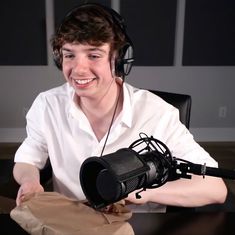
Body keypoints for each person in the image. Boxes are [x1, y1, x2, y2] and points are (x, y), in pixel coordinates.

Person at [13, 3, 227, 212]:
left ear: (119, 59)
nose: (78, 69)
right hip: (71, 224)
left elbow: (216, 188)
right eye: (69, 55)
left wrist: (144, 194)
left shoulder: (157, 113)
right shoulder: (47, 104)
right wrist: (30, 181)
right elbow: (27, 160)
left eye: (93, 55)